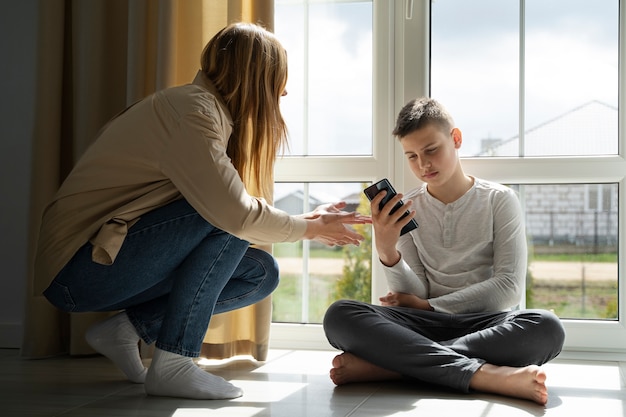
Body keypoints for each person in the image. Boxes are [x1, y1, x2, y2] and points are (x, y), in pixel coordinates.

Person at [35, 22, 370, 401]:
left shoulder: (202, 112)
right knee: (224, 219)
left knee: (259, 274)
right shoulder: (193, 113)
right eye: (279, 78)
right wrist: (309, 229)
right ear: (256, 77)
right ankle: (174, 363)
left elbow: (231, 213)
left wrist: (309, 222)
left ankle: (127, 330)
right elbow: (232, 214)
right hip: (78, 270)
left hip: (105, 262)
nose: (285, 90)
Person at [322, 97, 565, 406]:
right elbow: (415, 291)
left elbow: (508, 288)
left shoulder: (500, 200)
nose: (423, 165)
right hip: (422, 323)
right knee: (340, 315)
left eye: (431, 150)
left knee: (547, 327)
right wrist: (386, 249)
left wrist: (431, 307)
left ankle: (392, 365)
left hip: (486, 322)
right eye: (411, 156)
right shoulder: (407, 208)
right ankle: (485, 374)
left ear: (456, 139)